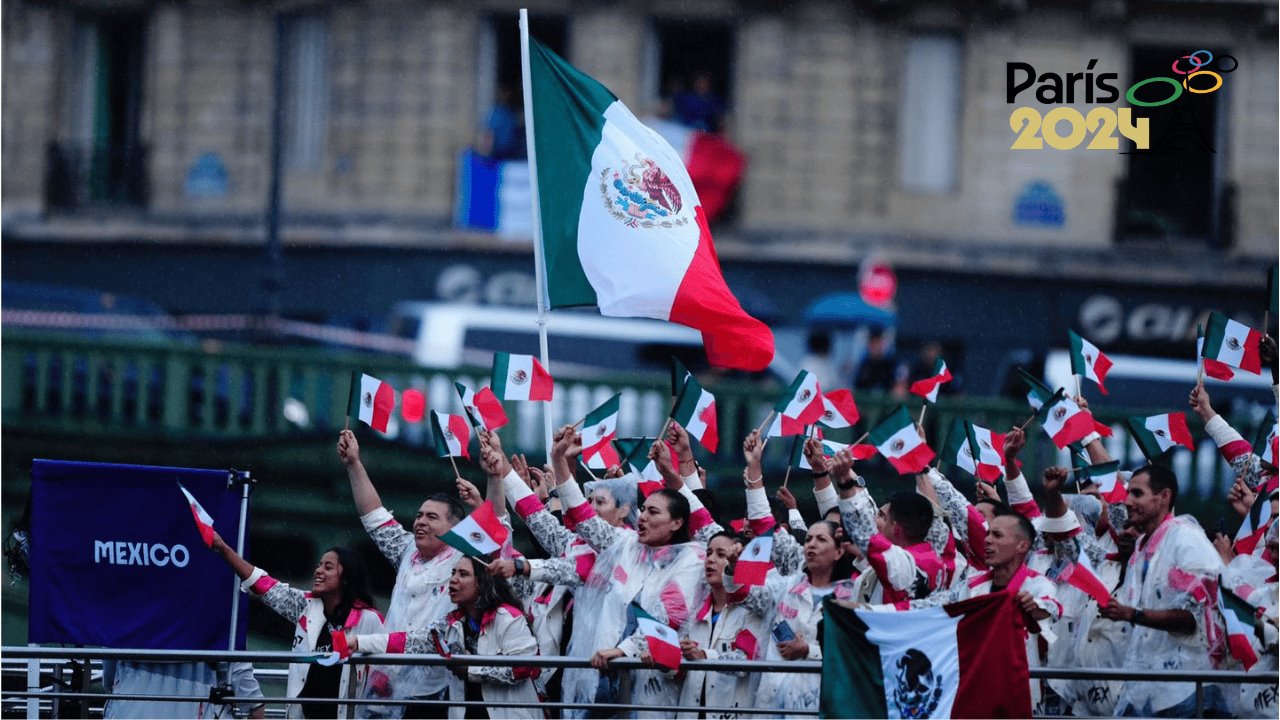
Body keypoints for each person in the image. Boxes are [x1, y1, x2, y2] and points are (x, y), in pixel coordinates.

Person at [337, 430, 470, 716]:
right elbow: (374, 516)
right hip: (387, 682)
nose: (420, 522)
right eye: (419, 515)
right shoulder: (407, 549)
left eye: (432, 517)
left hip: (435, 690)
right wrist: (354, 464)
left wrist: (494, 481)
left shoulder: (465, 560)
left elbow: (497, 532)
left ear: (456, 530)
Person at [1098, 464, 1228, 717]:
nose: (1127, 502)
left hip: (1188, 688)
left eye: (1137, 494)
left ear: (1164, 496)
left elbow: (1195, 618)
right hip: (1148, 688)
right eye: (1127, 494)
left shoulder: (1185, 539)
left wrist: (1132, 614)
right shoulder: (1141, 548)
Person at [208, 533, 384, 719]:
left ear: (347, 577)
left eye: (328, 567)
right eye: (319, 565)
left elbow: (386, 676)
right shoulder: (306, 606)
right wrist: (223, 548)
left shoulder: (369, 619)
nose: (318, 571)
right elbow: (263, 585)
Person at [346, 556, 541, 720]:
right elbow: (410, 641)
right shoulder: (451, 623)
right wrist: (358, 642)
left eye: (463, 574)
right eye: (453, 573)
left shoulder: (508, 617)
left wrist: (470, 669)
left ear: (484, 582)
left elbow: (523, 667)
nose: (453, 580)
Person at [676, 531, 768, 719]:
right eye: (708, 553)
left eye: (721, 554)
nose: (710, 559)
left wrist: (703, 656)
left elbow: (744, 661)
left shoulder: (752, 610)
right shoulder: (694, 609)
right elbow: (676, 671)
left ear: (737, 563)